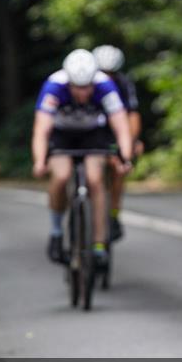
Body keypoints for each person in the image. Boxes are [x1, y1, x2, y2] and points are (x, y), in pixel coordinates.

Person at [31, 49, 134, 268]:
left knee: (95, 179)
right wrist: (40, 161)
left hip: (92, 135)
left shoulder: (104, 84)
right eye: (77, 87)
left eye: (86, 87)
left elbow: (121, 125)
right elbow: (41, 129)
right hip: (62, 135)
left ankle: (98, 244)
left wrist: (125, 156)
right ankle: (57, 232)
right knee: (61, 176)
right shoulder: (54, 86)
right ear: (68, 81)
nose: (83, 92)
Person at [92, 45, 143, 241]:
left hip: (115, 132)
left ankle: (113, 214)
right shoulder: (87, 84)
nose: (107, 77)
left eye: (111, 73)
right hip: (92, 132)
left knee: (119, 168)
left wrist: (132, 141)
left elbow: (132, 115)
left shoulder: (123, 83)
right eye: (103, 72)